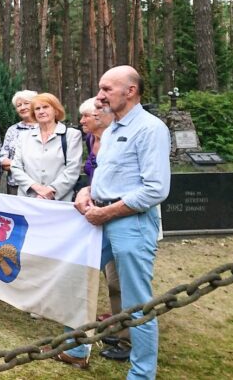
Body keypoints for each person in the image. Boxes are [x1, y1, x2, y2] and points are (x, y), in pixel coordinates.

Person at [69, 66, 170, 378]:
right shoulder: (111, 129)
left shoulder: (150, 129)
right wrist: (87, 191)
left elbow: (155, 188)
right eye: (100, 88)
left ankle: (142, 373)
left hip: (131, 223)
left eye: (107, 89)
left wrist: (107, 211)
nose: (99, 96)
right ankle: (74, 349)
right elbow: (106, 174)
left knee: (137, 301)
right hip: (100, 218)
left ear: (131, 91)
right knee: (76, 279)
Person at [79, 97, 129, 361]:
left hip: (122, 215)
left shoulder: (116, 139)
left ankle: (128, 339)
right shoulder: (92, 140)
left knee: (123, 279)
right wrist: (87, 191)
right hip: (99, 214)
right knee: (110, 279)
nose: (83, 121)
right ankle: (119, 327)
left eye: (87, 116)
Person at [10, 93, 82, 202]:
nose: (41, 111)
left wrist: (50, 191)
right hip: (28, 200)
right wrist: (37, 188)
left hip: (59, 202)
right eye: (37, 108)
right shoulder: (24, 136)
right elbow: (16, 167)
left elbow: (73, 169)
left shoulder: (72, 135)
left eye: (45, 107)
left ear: (56, 110)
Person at [0, 90, 37, 196]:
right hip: (15, 185)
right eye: (19, 105)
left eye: (26, 103)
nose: (22, 107)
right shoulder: (13, 130)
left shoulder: (45, 127)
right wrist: (26, 165)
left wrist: (14, 164)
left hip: (40, 185)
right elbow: (2, 159)